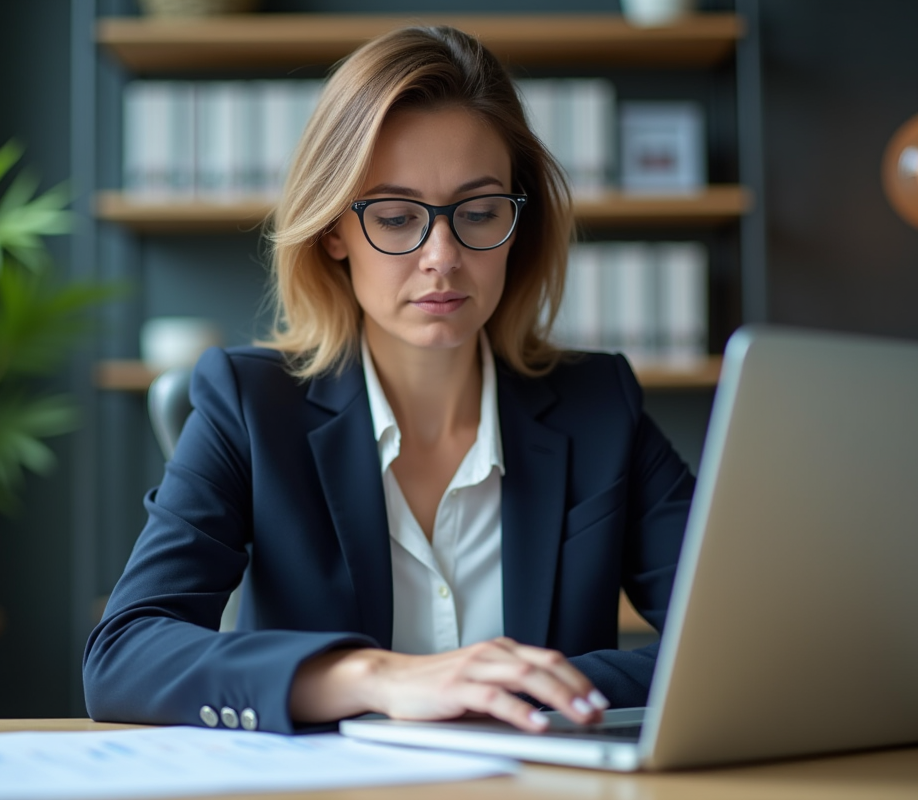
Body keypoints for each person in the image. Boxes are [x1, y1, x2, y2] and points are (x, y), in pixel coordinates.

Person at [83, 25, 694, 736]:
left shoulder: (599, 406)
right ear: (332, 231)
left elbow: (741, 639)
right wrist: (376, 677)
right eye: (398, 217)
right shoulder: (250, 404)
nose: (443, 256)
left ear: (517, 222)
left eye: (479, 212)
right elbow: (124, 656)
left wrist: (505, 691)